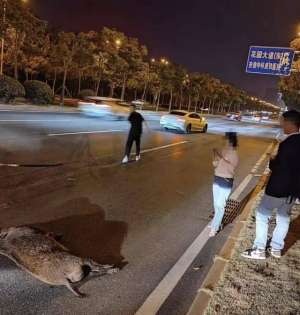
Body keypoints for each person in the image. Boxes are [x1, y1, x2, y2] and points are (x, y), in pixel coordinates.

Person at [242, 110, 300, 260]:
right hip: (293, 191)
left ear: (289, 122)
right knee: (283, 217)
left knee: (262, 215)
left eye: (282, 121)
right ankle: (276, 248)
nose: (281, 124)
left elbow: (279, 167)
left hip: (278, 188)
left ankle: (259, 249)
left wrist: (273, 159)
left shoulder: (287, 143)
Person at [209, 132, 239, 237]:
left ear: (231, 141)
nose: (224, 141)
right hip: (217, 179)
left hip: (225, 181)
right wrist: (215, 156)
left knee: (220, 205)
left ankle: (215, 227)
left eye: (226, 139)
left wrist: (219, 155)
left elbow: (231, 166)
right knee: (216, 204)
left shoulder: (234, 154)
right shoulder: (223, 151)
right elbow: (215, 164)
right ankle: (216, 222)